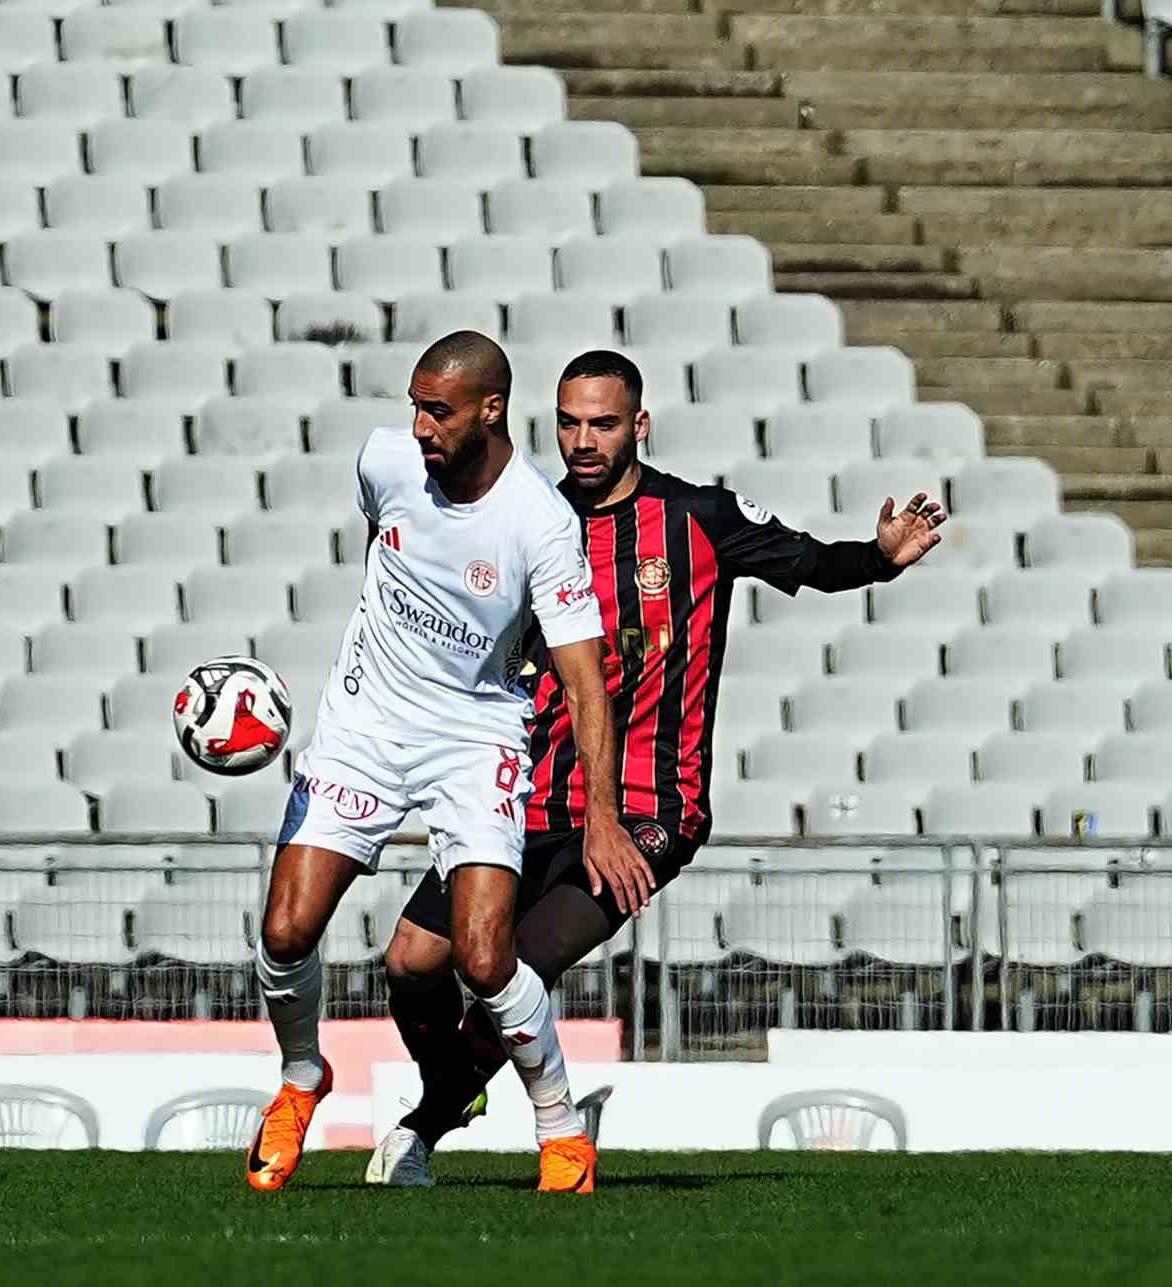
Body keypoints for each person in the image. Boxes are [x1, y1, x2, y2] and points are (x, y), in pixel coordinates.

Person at [365, 350, 946, 1187]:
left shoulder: (698, 517)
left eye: (602, 424)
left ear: (638, 425)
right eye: (569, 423)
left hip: (646, 809)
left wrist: (878, 557)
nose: (583, 441)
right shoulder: (529, 519)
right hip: (525, 799)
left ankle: (426, 1129)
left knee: (516, 966)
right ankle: (454, 1087)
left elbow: (815, 565)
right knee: (410, 960)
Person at [246, 331, 652, 1196]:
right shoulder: (384, 462)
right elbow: (386, 551)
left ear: (491, 410)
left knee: (483, 956)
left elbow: (586, 685)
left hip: (474, 737)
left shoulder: (540, 522)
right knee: (285, 931)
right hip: (365, 723)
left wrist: (603, 816)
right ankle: (302, 1076)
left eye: (439, 410)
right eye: (416, 407)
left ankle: (560, 1126)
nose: (421, 426)